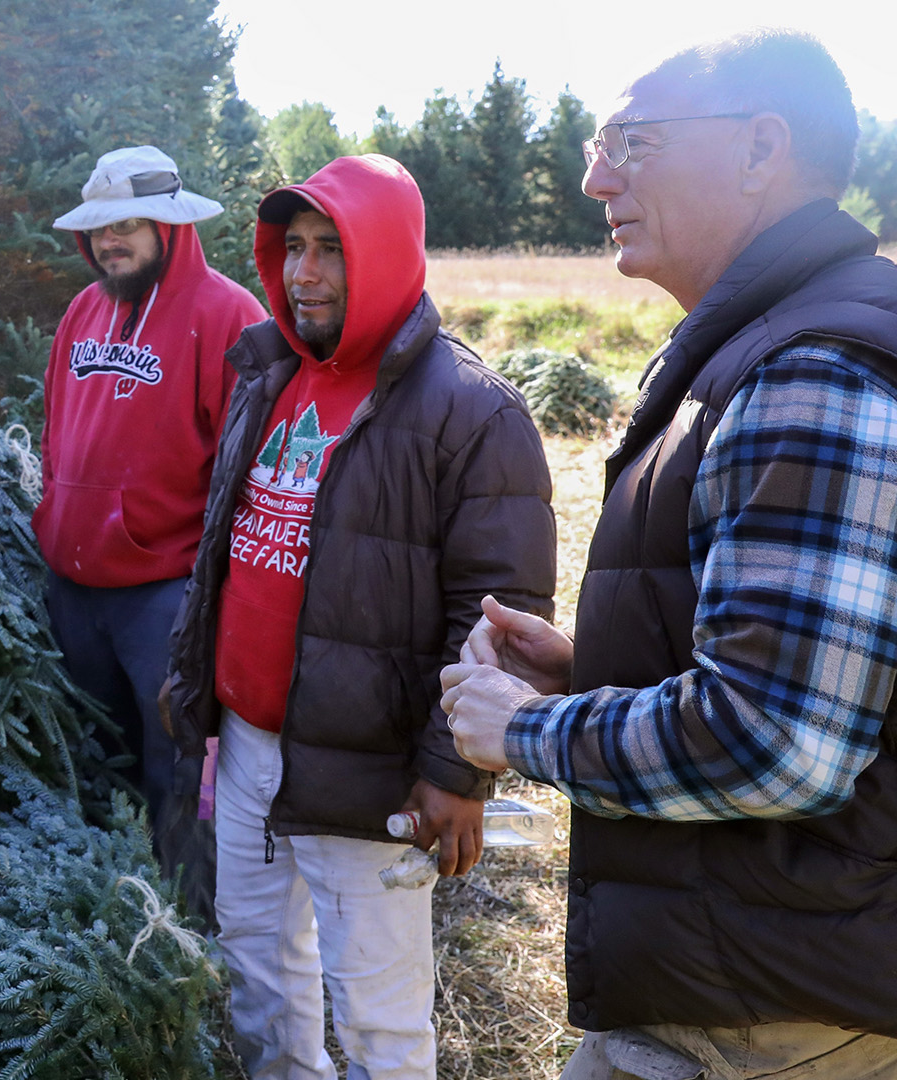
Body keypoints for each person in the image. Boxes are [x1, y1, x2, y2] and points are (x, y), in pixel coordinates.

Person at [440, 30, 897, 1080]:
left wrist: (531, 730)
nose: (595, 175)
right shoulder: (770, 347)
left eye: (632, 142)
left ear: (759, 148)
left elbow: (781, 739)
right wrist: (596, 669)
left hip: (767, 1018)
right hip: (762, 970)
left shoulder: (811, 372)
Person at [163, 154, 555, 1079]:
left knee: (378, 1017)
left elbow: (499, 614)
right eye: (292, 248)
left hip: (368, 765)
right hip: (250, 744)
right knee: (260, 970)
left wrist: (454, 771)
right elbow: (228, 547)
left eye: (330, 248)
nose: (302, 273)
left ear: (384, 253)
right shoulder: (270, 374)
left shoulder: (470, 411)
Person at [33, 145, 264, 832]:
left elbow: (251, 470)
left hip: (165, 593)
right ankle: (103, 900)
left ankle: (182, 915)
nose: (109, 240)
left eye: (125, 225)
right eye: (99, 228)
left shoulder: (230, 315)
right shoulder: (82, 310)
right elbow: (55, 430)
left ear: (169, 227)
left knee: (176, 764)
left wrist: (215, 593)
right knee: (96, 758)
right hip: (73, 588)